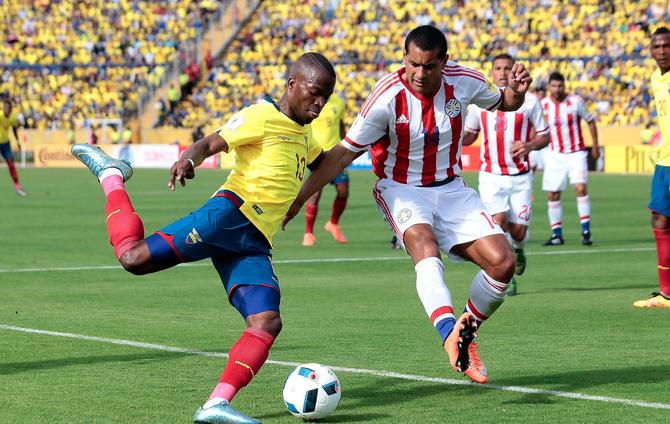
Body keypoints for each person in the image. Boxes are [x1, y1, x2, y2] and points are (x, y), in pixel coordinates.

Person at [71, 52, 337, 423]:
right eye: (314, 92)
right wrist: (189, 159)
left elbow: (325, 163)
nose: (320, 103)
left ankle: (215, 405)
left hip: (255, 241)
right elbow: (212, 142)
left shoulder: (304, 133)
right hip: (227, 217)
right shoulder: (262, 116)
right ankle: (110, 175)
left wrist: (300, 199)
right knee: (133, 258)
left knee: (266, 322)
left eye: (326, 96)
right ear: (292, 85)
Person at [283, 25, 532, 384]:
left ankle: (466, 331)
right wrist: (298, 201)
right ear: (404, 58)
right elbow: (341, 155)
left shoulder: (464, 81)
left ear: (443, 63)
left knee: (503, 263)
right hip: (400, 187)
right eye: (412, 63)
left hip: (451, 188)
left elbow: (504, 102)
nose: (418, 73)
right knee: (425, 247)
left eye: (428, 66)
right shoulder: (387, 96)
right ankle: (450, 336)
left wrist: (517, 94)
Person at [463, 53, 550, 296]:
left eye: (507, 68)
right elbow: (470, 135)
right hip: (491, 175)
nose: (503, 72)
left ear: (515, 72)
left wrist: (530, 145)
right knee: (497, 222)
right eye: (498, 68)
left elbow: (545, 135)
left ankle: (519, 249)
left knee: (518, 231)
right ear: (492, 72)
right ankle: (507, 277)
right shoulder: (479, 102)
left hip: (521, 176)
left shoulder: (531, 102)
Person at [540, 72, 599, 246]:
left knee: (580, 188)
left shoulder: (576, 102)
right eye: (553, 86)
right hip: (554, 154)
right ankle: (556, 235)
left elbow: (591, 120)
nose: (557, 89)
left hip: (576, 153)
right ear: (549, 87)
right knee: (553, 194)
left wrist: (595, 145)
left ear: (564, 86)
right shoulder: (543, 105)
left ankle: (586, 231)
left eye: (560, 86)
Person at [635, 27, 670, 308]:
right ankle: (666, 293)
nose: (661, 51)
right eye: (656, 46)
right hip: (663, 161)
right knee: (659, 219)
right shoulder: (655, 78)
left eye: (666, 46)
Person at [302, 94, 349, 246]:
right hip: (317, 155)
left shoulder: (339, 103)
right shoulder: (311, 101)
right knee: (315, 194)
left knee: (343, 191)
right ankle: (308, 233)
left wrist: (348, 147)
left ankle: (333, 223)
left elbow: (340, 125)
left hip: (336, 153)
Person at [0, 98, 26, 196]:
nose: (5, 108)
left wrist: (18, 141)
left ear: (10, 108)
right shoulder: (0, 115)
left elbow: (14, 129)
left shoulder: (13, 117)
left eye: (7, 107)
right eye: (4, 107)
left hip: (5, 143)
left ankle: (17, 187)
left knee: (11, 165)